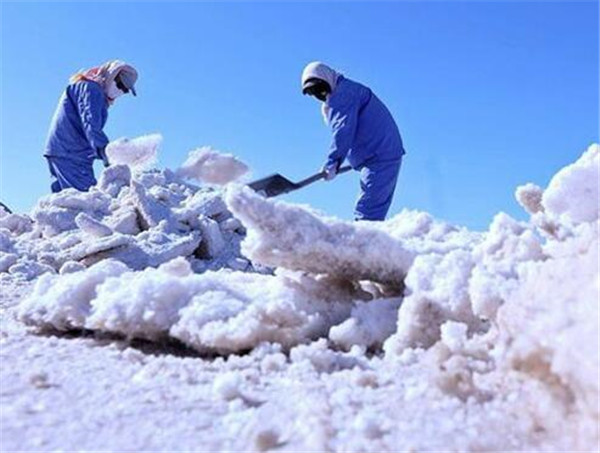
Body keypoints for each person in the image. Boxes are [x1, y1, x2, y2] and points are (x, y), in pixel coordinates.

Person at [301, 61, 406, 221]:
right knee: (372, 209)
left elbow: (343, 130)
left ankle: (365, 245)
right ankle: (369, 243)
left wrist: (333, 162)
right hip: (379, 152)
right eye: (314, 92)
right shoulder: (346, 90)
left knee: (367, 213)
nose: (319, 94)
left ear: (327, 79)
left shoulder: (343, 94)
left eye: (320, 88)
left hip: (380, 154)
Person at [44, 60, 138, 193]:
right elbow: (90, 123)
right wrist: (109, 154)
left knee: (64, 204)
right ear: (110, 75)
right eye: (119, 84)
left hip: (62, 150)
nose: (120, 91)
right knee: (87, 203)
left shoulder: (89, 89)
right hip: (71, 154)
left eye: (125, 90)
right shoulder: (93, 90)